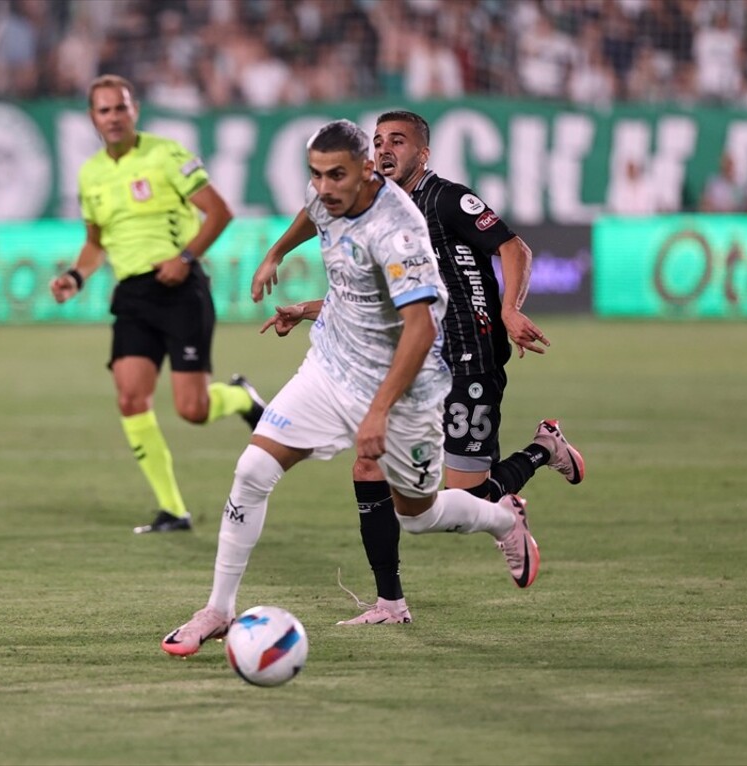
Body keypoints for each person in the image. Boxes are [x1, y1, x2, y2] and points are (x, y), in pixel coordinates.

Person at [161, 120, 538, 657]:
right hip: (330, 367)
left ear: (365, 171)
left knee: (420, 514)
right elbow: (310, 216)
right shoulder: (327, 194)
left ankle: (502, 518)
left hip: (403, 390)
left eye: (336, 175)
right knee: (251, 471)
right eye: (316, 175)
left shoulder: (400, 231)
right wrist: (277, 252)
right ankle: (218, 609)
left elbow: (421, 328)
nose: (324, 187)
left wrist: (379, 412)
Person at [331, 111, 587, 626]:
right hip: (417, 366)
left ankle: (543, 449)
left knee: (463, 497)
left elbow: (515, 247)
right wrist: (314, 309)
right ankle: (389, 604)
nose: (384, 149)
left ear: (422, 154)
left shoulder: (446, 198)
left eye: (397, 141)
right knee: (370, 466)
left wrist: (510, 309)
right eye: (378, 140)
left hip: (470, 359)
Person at [50, 74, 264, 535]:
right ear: (92, 118)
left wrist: (185, 257)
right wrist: (75, 276)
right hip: (131, 295)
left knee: (194, 409)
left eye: (120, 108)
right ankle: (173, 510)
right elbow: (95, 244)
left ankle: (241, 397)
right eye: (103, 110)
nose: (113, 117)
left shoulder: (167, 154)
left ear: (135, 111)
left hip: (180, 289)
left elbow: (220, 211)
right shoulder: (90, 174)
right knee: (130, 397)